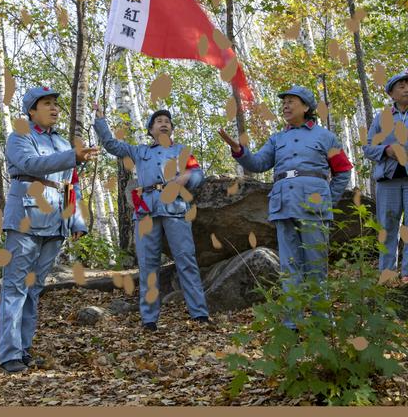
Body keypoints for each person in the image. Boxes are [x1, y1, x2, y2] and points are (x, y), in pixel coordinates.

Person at [218, 85, 352, 330]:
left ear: (307, 107)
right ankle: (292, 322)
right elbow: (258, 163)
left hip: (314, 206)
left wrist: (327, 200)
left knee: (315, 263)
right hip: (283, 205)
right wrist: (238, 150)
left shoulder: (326, 137)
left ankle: (323, 322)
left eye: (291, 101)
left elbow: (343, 171)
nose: (286, 106)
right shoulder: (277, 138)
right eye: (284, 102)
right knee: (289, 265)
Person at [0, 86, 98, 373]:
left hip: (55, 222)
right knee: (15, 288)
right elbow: (32, 164)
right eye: (47, 103)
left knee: (33, 289)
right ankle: (9, 355)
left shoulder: (63, 142)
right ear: (31, 110)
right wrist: (73, 157)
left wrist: (76, 219)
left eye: (56, 103)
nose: (54, 108)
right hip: (25, 220)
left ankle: (24, 350)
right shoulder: (19, 136)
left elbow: (71, 185)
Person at [93, 104, 210, 331]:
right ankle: (149, 319)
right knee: (148, 265)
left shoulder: (182, 150)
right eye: (159, 121)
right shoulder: (140, 152)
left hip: (175, 208)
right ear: (150, 130)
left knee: (186, 261)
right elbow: (112, 145)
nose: (164, 123)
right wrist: (100, 120)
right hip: (146, 210)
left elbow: (198, 174)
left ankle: (200, 314)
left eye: (167, 121)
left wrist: (185, 177)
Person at [363, 70, 408, 284]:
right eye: (401, 85)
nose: (406, 88)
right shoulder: (382, 118)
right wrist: (386, 150)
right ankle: (387, 274)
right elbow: (368, 147)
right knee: (387, 227)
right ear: (391, 92)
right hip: (388, 181)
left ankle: (407, 273)